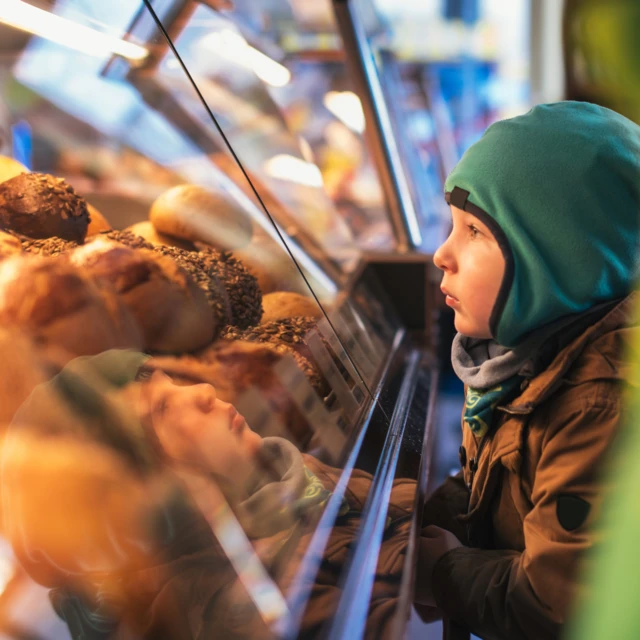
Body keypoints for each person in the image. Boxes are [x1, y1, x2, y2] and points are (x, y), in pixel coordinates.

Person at [415, 101, 640, 640]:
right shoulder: (527, 354)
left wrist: (439, 571)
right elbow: (495, 490)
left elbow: (559, 607)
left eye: (474, 231)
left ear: (558, 255)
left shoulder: (601, 406)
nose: (441, 254)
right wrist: (393, 515)